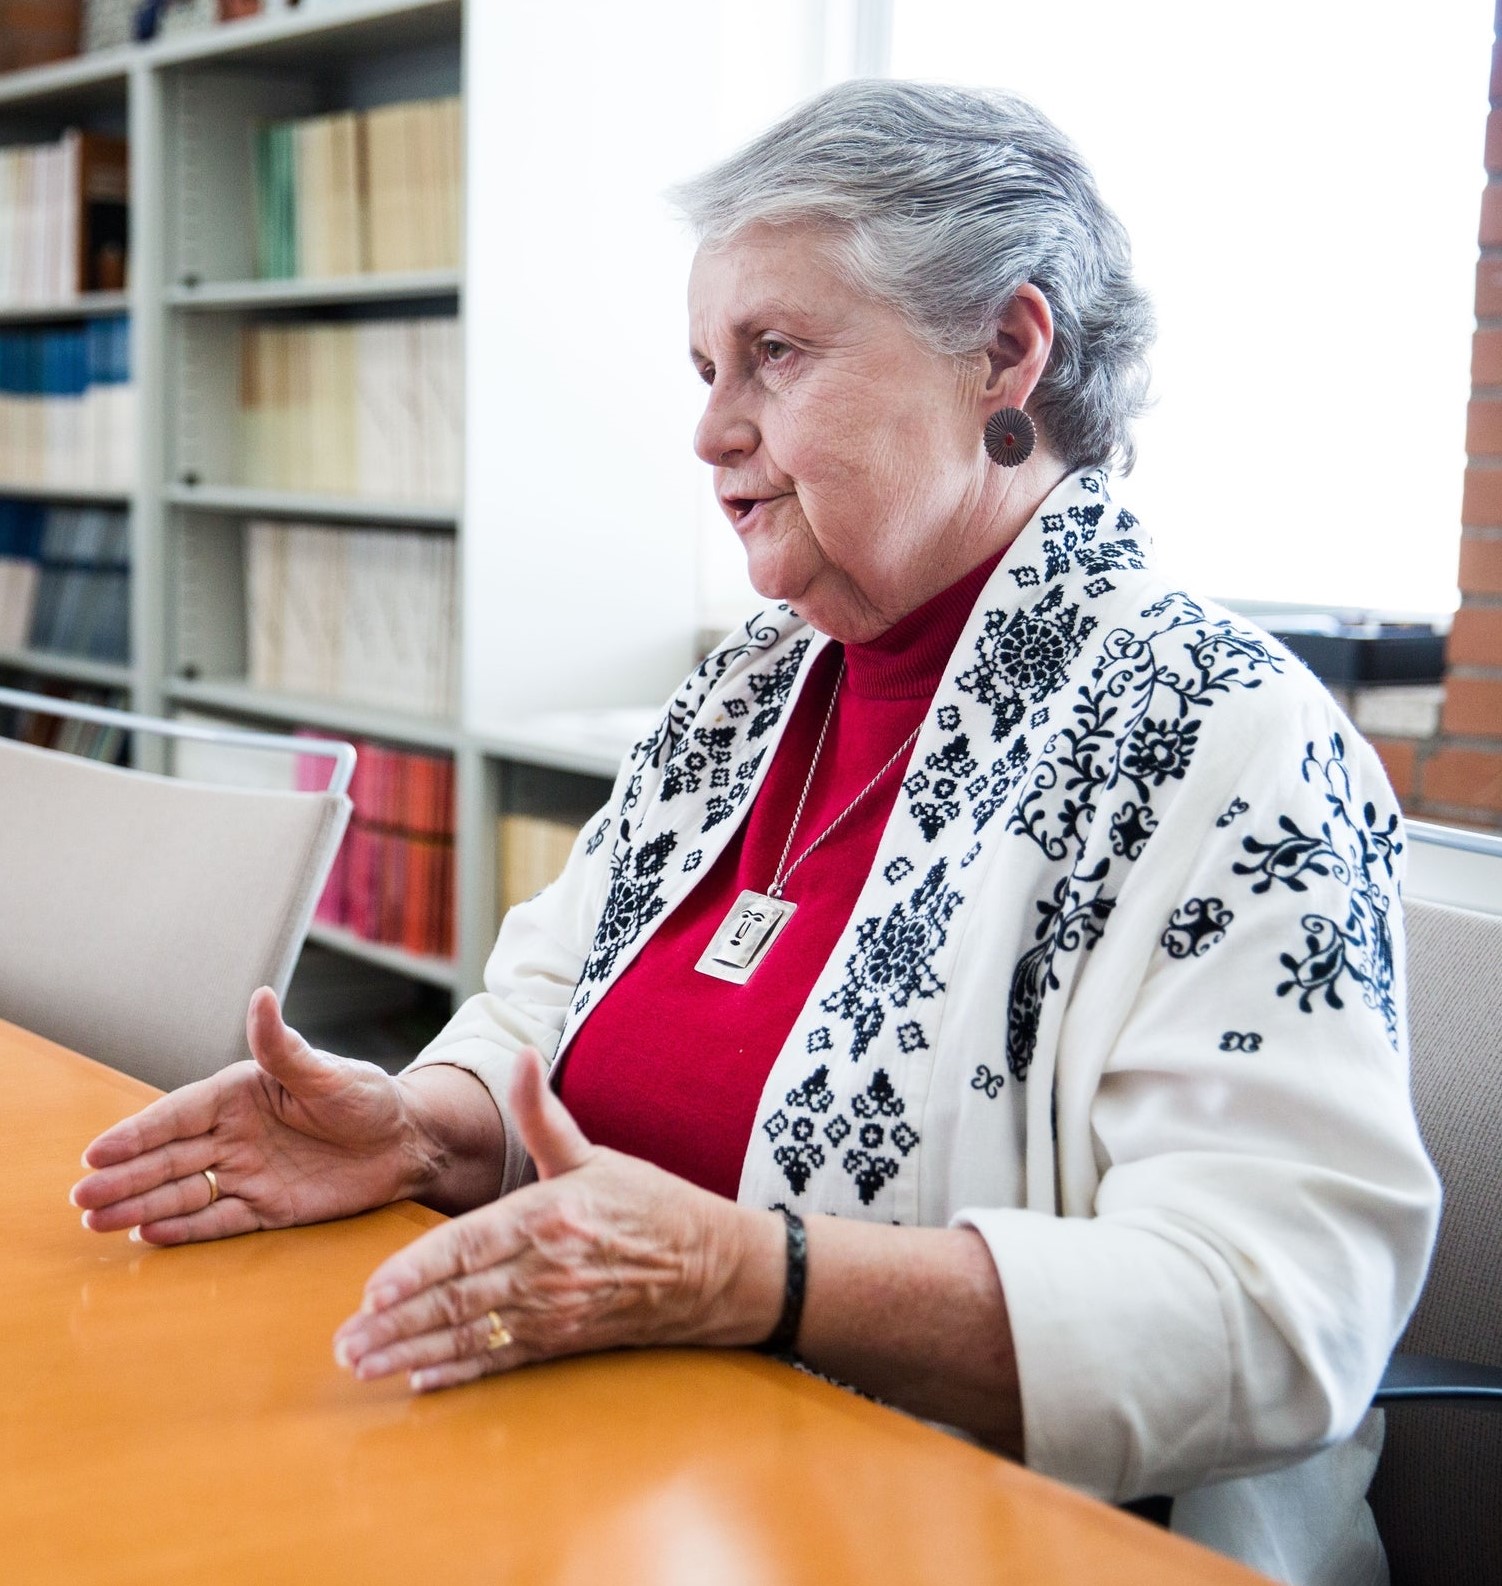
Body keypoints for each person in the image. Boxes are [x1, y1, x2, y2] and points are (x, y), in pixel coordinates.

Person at [71, 81, 1438, 1586]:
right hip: (633, 1489)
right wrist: (418, 1126)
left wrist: (751, 1275)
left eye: (773, 356)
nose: (712, 428)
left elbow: (1273, 1311)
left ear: (1006, 348)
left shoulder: (1226, 736)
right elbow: (542, 998)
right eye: (707, 365)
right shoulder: (748, 682)